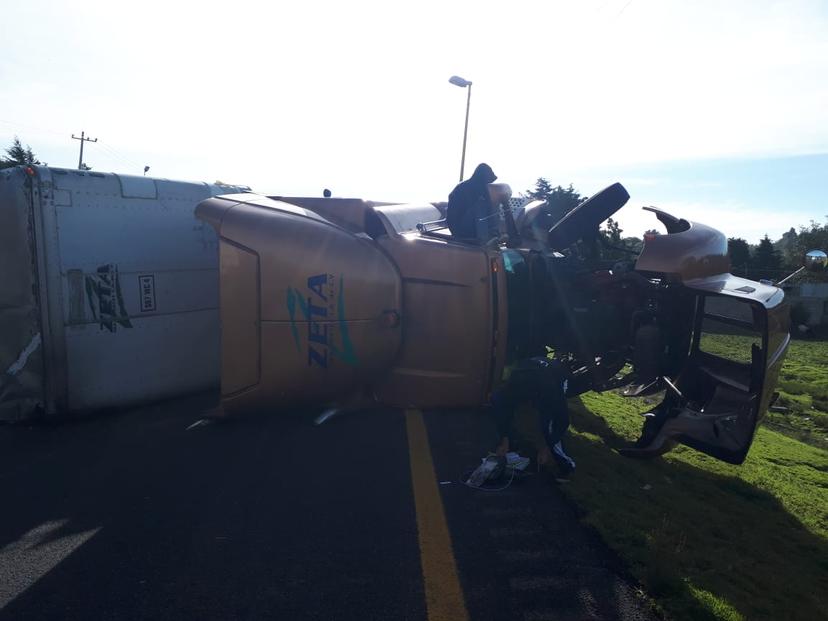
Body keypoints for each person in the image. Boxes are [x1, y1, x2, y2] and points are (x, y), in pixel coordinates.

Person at [490, 357, 576, 481]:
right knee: (507, 411)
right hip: (533, 367)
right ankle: (511, 443)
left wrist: (546, 447)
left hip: (558, 374)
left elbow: (563, 421)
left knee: (548, 425)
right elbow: (502, 409)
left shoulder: (551, 391)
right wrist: (504, 438)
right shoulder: (513, 383)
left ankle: (566, 466)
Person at [447, 163, 497, 239]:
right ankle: (483, 238)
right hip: (459, 228)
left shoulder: (481, 187)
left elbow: (489, 210)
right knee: (480, 205)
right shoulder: (467, 188)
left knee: (486, 206)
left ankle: (490, 235)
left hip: (467, 224)